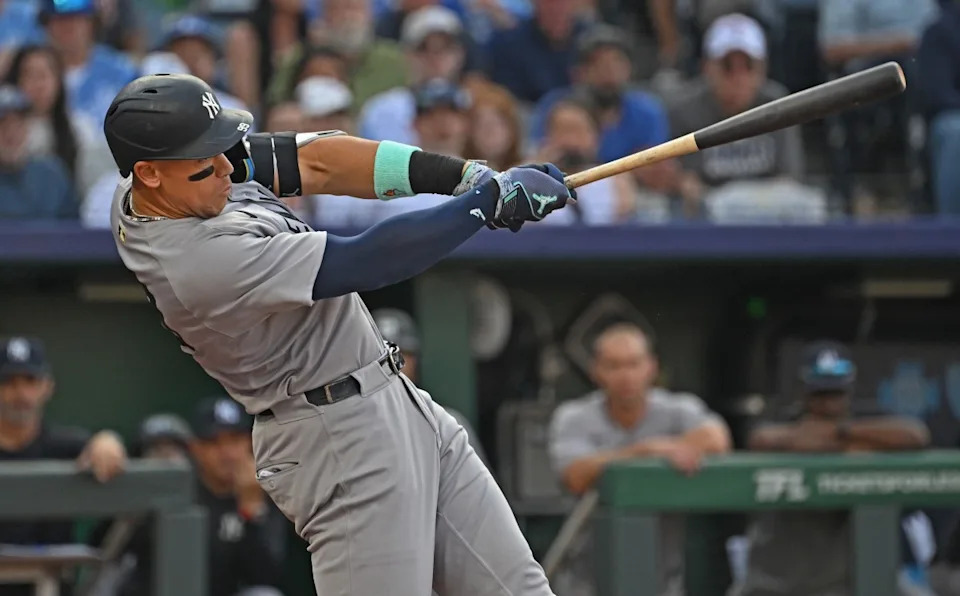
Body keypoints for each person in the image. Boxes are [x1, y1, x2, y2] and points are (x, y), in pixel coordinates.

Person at [102, 72, 572, 594]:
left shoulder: (168, 179)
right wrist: (481, 206)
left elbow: (317, 160)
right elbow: (367, 261)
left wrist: (464, 175)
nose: (225, 168)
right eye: (204, 161)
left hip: (396, 400)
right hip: (335, 435)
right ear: (148, 173)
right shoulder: (197, 262)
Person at [732, 340, 930, 596]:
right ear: (803, 392)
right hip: (777, 582)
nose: (829, 404)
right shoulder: (781, 419)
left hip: (855, 581)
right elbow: (764, 439)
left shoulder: (866, 420)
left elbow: (915, 435)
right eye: (821, 394)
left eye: (836, 393)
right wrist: (850, 446)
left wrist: (842, 431)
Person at [548, 322, 732, 596]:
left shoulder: (676, 408)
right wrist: (647, 451)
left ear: (651, 367)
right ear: (596, 371)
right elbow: (575, 476)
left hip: (661, 577)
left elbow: (717, 439)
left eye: (634, 364)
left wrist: (668, 447)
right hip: (586, 579)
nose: (626, 375)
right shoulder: (574, 416)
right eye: (614, 365)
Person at [0, 335, 127, 596]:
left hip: (52, 588)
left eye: (30, 381)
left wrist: (106, 440)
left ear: (48, 386)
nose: (21, 393)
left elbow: (103, 448)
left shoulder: (65, 446)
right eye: (9, 382)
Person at [666, 13, 808, 220]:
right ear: (707, 68)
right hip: (706, 222)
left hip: (767, 216)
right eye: (727, 67)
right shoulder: (683, 110)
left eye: (748, 66)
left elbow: (790, 178)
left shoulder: (778, 106)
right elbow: (680, 181)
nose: (738, 77)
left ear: (762, 69)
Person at [370, 307, 490, 467]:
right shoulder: (345, 428)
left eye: (400, 353)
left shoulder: (446, 425)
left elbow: (479, 490)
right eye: (381, 356)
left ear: (415, 361)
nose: (392, 364)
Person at [359, 5, 470, 145]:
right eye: (423, 48)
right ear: (407, 55)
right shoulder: (382, 109)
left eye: (445, 48)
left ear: (459, 54)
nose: (434, 57)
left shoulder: (472, 103)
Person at [38, 0, 138, 127]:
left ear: (91, 23)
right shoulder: (34, 73)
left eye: (76, 19)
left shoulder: (122, 70)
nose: (68, 27)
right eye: (60, 20)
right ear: (47, 27)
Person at [485, 0, 588, 104]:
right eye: (550, 3)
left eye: (563, 2)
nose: (557, 9)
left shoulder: (589, 37)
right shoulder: (508, 44)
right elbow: (508, 98)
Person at [0, 84, 77, 220]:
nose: (11, 133)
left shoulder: (52, 176)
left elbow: (74, 233)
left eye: (18, 123)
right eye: (3, 125)